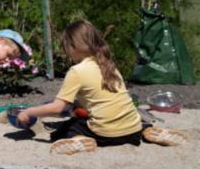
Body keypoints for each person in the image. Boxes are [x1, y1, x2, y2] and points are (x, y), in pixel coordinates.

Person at [17, 19, 186, 155]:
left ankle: (79, 139)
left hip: (105, 135)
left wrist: (28, 112)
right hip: (132, 129)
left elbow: (57, 107)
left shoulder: (77, 71)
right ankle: (147, 131)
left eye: (66, 48)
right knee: (128, 119)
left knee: (64, 130)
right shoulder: (109, 65)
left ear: (73, 46)